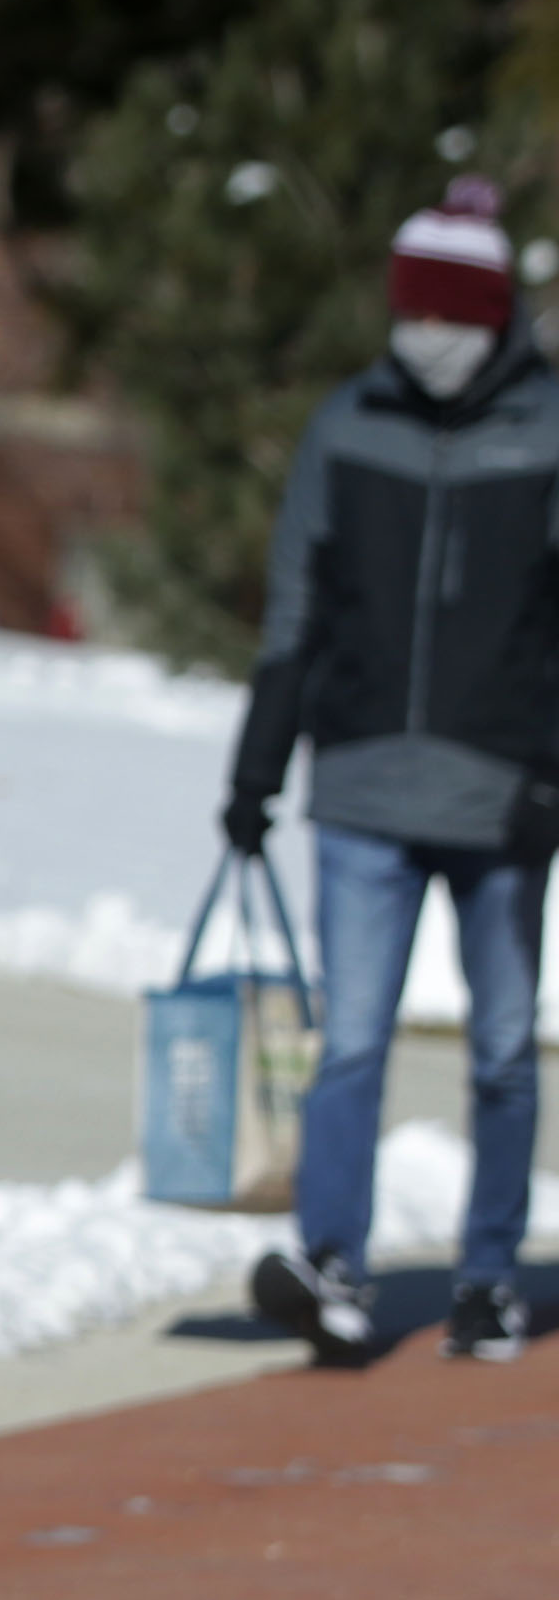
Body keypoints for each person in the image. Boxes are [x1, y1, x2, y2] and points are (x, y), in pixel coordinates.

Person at [225, 174, 559, 1364]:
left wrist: (548, 775)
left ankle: (487, 1275)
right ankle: (332, 1262)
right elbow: (297, 604)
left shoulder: (547, 427)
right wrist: (258, 765)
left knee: (506, 1047)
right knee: (351, 1041)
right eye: (414, 311)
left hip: (502, 793)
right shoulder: (347, 423)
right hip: (362, 783)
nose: (430, 336)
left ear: (496, 316)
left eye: (454, 314)